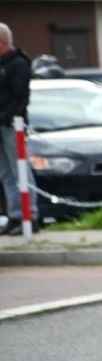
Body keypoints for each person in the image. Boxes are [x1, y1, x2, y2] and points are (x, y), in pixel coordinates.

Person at [0, 23, 31, 235]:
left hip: (12, 126)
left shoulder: (18, 64)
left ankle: (30, 215)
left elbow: (20, 96)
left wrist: (6, 117)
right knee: (5, 173)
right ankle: (15, 215)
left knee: (20, 170)